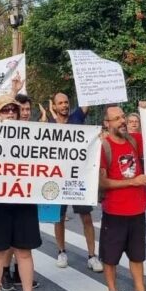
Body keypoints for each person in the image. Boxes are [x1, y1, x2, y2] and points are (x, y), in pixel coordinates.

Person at [99, 105, 146, 291]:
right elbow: (103, 182)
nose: (122, 121)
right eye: (116, 118)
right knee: (110, 257)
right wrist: (132, 182)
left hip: (137, 210)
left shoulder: (134, 141)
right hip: (115, 211)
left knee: (137, 255)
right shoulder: (104, 147)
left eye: (123, 116)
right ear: (107, 124)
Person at [0, 95, 42, 291]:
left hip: (24, 199)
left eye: (13, 110)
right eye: (4, 110)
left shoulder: (29, 134)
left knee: (24, 251)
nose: (10, 113)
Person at [47, 93, 101, 272]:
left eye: (66, 102)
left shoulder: (77, 116)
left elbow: (89, 98)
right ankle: (61, 252)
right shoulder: (49, 125)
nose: (64, 105)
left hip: (79, 177)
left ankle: (92, 256)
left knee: (86, 217)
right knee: (59, 218)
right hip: (58, 177)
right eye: (60, 103)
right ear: (54, 106)